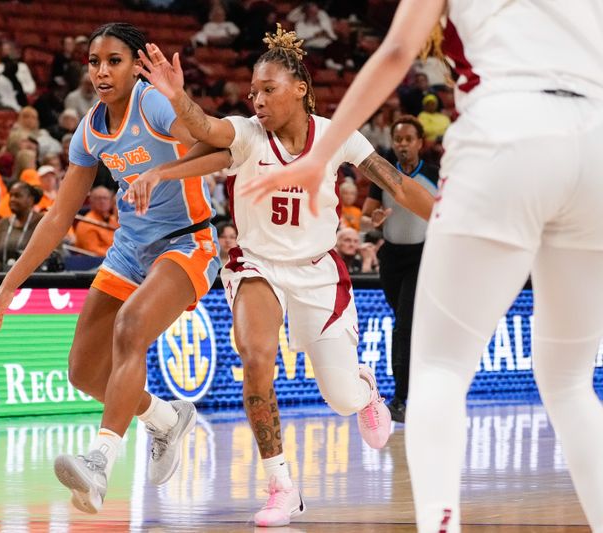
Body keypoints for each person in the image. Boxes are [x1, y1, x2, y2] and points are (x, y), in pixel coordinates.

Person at [241, 2, 603, 531]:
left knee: (439, 370)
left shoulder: (331, 135)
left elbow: (395, 51)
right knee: (570, 381)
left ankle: (438, 521)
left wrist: (319, 155)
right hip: (595, 142)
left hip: (509, 134)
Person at [128, 28, 433, 526]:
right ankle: (281, 485)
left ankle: (364, 390)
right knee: (256, 356)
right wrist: (176, 96)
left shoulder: (338, 137)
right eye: (253, 92)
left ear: (299, 89)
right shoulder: (248, 134)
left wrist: (449, 221)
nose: (258, 99)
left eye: (268, 89)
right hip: (257, 265)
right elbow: (204, 126)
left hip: (317, 271)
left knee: (340, 399)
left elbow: (398, 185)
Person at [0, 22, 220, 516]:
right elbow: (57, 218)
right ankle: (166, 418)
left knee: (130, 328)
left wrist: (178, 112)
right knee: (84, 371)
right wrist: (6, 288)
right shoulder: (89, 131)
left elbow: (212, 146)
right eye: (94, 62)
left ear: (135, 66)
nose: (102, 71)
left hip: (187, 242)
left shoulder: (153, 104)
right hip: (130, 248)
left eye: (114, 61)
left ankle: (100, 461)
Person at [362, 115, 438, 423]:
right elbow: (365, 217)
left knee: (403, 327)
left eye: (409, 139)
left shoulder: (434, 174)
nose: (403, 144)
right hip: (391, 258)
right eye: (398, 139)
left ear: (420, 142)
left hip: (423, 257)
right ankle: (418, 390)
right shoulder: (382, 174)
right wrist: (374, 219)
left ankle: (402, 399)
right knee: (406, 326)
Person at [0, 181, 43, 271]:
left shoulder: (42, 222)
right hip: (3, 278)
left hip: (34, 279)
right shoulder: (3, 223)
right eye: (11, 196)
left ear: (31, 199)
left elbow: (51, 256)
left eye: (17, 196)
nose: (12, 199)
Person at [75, 186, 118, 257]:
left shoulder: (113, 220)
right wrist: (117, 255)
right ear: (91, 201)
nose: (102, 201)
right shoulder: (87, 223)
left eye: (105, 198)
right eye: (98, 198)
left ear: (110, 201)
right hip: (96, 262)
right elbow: (93, 251)